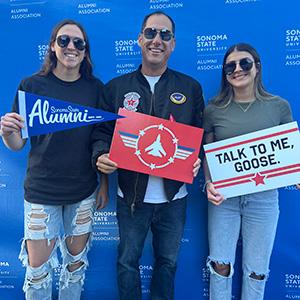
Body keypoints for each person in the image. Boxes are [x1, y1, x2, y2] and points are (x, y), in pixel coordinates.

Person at [92, 11, 204, 300]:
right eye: (151, 33)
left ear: (173, 43)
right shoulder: (116, 88)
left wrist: (197, 160)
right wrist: (101, 154)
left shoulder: (190, 88)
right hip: (131, 199)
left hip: (174, 199)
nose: (157, 40)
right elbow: (101, 133)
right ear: (140, 39)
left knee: (167, 264)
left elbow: (200, 136)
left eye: (165, 35)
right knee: (127, 263)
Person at [0, 19, 108, 300]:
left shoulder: (95, 89)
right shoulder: (32, 85)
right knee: (37, 272)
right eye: (64, 41)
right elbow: (16, 144)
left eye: (78, 43)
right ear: (52, 46)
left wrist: (103, 176)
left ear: (85, 52)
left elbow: (101, 138)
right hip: (41, 191)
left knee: (74, 266)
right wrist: (6, 133)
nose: (71, 47)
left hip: (82, 190)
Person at [203, 43, 298, 300]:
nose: (237, 69)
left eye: (244, 63)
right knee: (220, 265)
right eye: (230, 66)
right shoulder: (213, 109)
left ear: (257, 67)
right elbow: (208, 154)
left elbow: (290, 151)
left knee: (257, 271)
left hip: (264, 199)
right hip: (224, 199)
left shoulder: (279, 106)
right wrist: (208, 183)